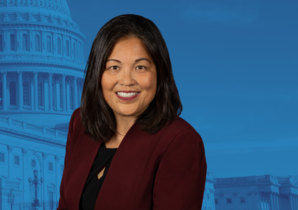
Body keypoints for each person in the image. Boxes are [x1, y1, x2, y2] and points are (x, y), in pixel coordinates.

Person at [57, 14, 207, 210]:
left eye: (140, 67)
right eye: (114, 67)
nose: (126, 80)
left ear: (159, 74)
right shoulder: (81, 122)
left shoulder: (179, 141)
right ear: (97, 74)